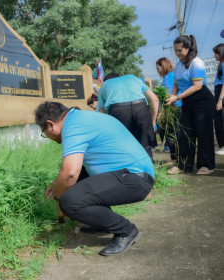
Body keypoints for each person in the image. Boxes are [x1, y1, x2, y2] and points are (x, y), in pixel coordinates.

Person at [35, 101, 154, 256]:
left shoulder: (72, 127)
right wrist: (57, 183)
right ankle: (101, 222)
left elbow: (70, 173)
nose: (48, 137)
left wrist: (59, 200)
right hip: (133, 175)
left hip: (134, 179)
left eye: (44, 132)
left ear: (50, 124)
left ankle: (126, 230)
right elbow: (76, 169)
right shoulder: (81, 118)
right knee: (74, 183)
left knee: (69, 201)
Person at [166, 35, 215, 175]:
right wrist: (172, 96)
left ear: (188, 48)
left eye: (180, 50)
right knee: (185, 133)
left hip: (202, 100)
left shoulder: (196, 62)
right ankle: (184, 165)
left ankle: (206, 165)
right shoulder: (179, 65)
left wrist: (177, 97)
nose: (177, 53)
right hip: (187, 101)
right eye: (175, 51)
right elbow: (176, 84)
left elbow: (197, 85)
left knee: (203, 132)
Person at [97, 73, 159, 158]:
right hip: (140, 107)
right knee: (145, 145)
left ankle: (127, 170)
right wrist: (153, 122)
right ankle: (148, 170)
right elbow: (154, 100)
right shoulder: (133, 78)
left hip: (117, 111)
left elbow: (101, 111)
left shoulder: (104, 85)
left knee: (122, 146)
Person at [155, 57, 181, 164]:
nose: (157, 70)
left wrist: (162, 113)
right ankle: (175, 157)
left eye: (158, 68)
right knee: (171, 132)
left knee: (171, 133)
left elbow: (169, 96)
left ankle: (175, 158)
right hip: (175, 106)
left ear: (164, 66)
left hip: (172, 108)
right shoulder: (170, 76)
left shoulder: (169, 77)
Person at [213, 44, 224, 155]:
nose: (214, 55)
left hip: (222, 93)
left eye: (216, 53)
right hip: (218, 91)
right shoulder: (221, 65)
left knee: (222, 119)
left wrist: (220, 99)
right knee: (219, 120)